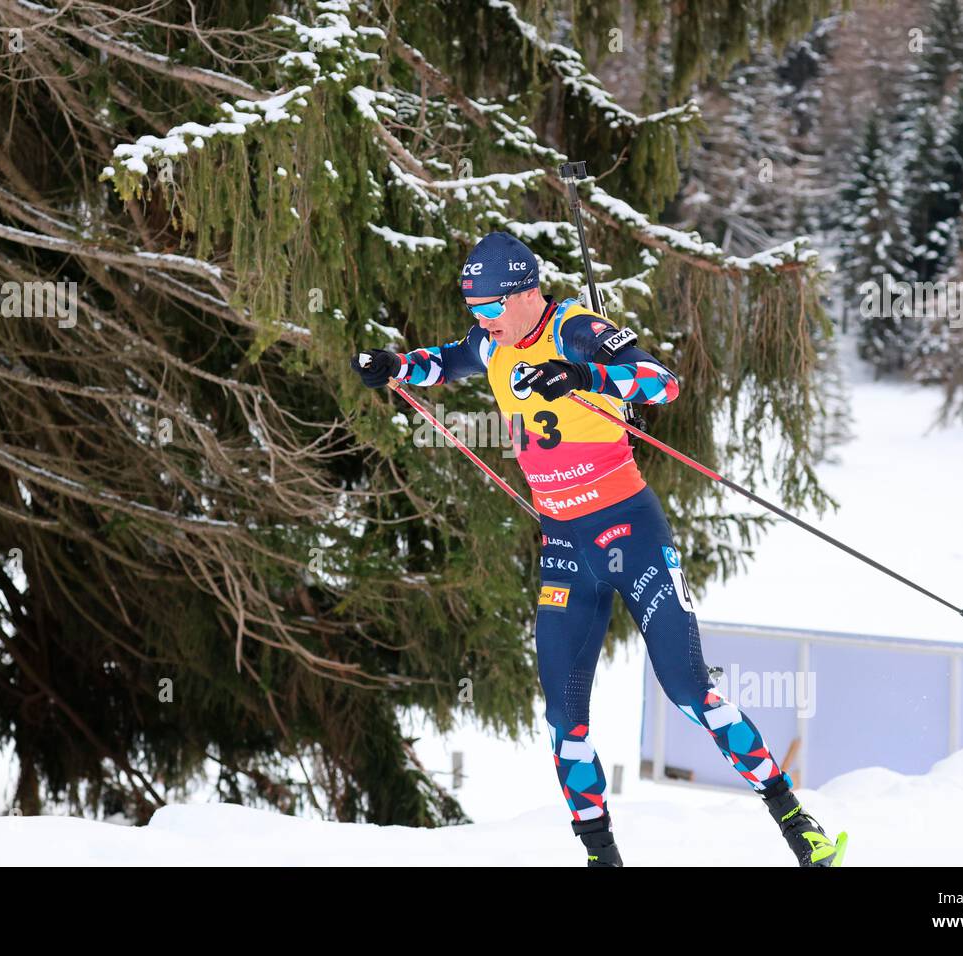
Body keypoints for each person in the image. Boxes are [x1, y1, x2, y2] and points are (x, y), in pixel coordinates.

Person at [350, 231, 842, 867]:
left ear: (527, 293)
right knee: (563, 715)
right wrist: (393, 365)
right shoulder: (490, 343)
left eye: (492, 309)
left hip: (629, 531)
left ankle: (796, 823)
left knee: (689, 689)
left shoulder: (575, 329)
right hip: (564, 545)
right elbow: (442, 362)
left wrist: (585, 374)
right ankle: (601, 857)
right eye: (475, 311)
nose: (483, 323)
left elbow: (662, 383)